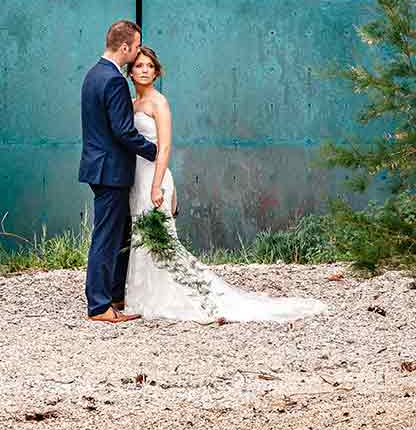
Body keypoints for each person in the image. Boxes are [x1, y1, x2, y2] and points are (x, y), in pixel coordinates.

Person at [122, 45, 329, 324]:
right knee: (142, 234)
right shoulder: (133, 104)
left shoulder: (159, 103)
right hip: (138, 176)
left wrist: (157, 184)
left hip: (154, 177)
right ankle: (141, 296)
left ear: (156, 72)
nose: (144, 70)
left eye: (149, 66)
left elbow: (166, 145)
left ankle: (174, 295)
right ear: (131, 71)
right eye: (139, 66)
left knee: (161, 238)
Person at [78, 19, 156, 323]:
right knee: (107, 237)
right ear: (124, 47)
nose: (136, 53)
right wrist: (155, 150)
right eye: (135, 47)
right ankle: (99, 306)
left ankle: (113, 295)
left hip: (101, 168)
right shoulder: (112, 80)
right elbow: (123, 131)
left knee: (118, 232)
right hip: (110, 171)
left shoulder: (93, 74)